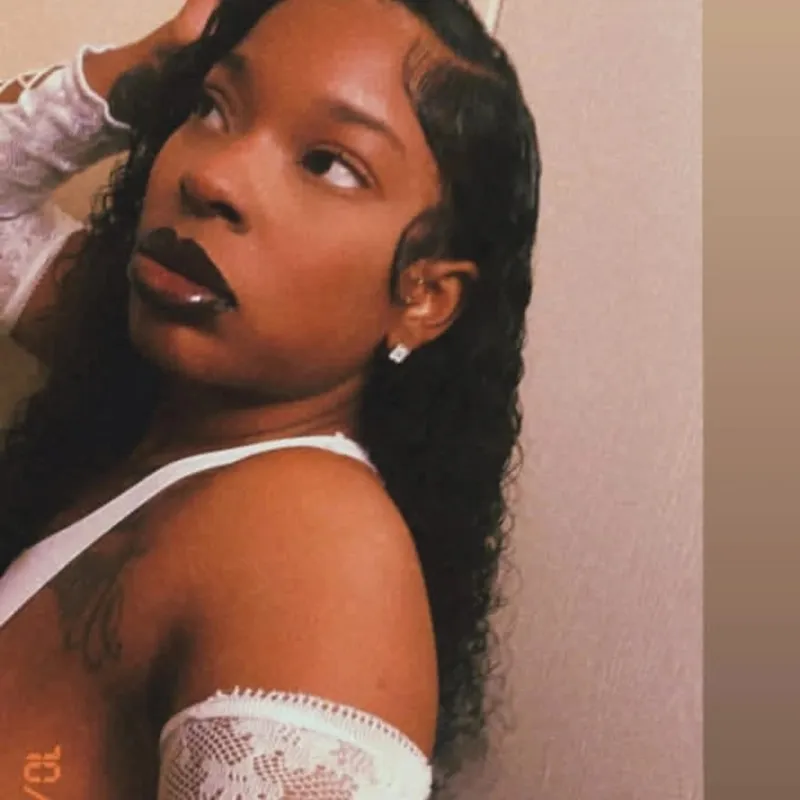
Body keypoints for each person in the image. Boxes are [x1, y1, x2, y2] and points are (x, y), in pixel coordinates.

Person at [0, 0, 540, 796]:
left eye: (329, 164)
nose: (210, 175)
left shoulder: (323, 561)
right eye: (212, 108)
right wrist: (157, 62)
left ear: (423, 295)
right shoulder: (171, 419)